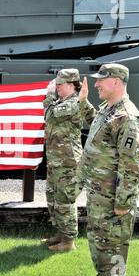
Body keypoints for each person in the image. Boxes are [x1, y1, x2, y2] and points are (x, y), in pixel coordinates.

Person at [78, 63, 139, 276]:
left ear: (116, 81)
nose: (96, 83)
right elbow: (98, 127)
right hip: (100, 197)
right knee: (100, 246)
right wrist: (82, 101)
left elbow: (131, 167)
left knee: (115, 249)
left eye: (101, 80)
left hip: (113, 202)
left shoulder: (128, 118)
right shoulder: (109, 110)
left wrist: (122, 204)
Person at [41, 69, 89, 252]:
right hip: (56, 161)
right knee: (52, 197)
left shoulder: (75, 101)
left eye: (60, 85)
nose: (57, 87)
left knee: (64, 200)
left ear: (71, 85)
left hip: (68, 161)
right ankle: (61, 233)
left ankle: (69, 241)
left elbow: (50, 115)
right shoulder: (62, 101)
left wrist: (49, 95)